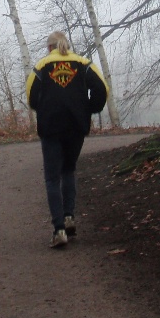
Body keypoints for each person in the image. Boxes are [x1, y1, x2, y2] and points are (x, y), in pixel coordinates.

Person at [26, 31, 108, 248]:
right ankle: (69, 217)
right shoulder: (83, 63)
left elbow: (31, 97)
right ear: (66, 45)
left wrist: (43, 109)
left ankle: (59, 230)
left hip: (51, 126)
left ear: (49, 47)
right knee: (69, 169)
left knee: (52, 177)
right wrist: (89, 108)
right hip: (76, 125)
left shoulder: (42, 66)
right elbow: (101, 89)